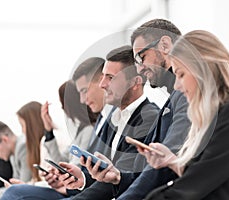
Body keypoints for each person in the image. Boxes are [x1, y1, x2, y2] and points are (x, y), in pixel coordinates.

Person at [139, 30, 229, 200]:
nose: (176, 86)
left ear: (203, 70)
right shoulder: (219, 118)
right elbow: (209, 174)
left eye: (181, 74)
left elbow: (195, 186)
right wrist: (171, 161)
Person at [78, 18, 191, 200]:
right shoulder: (170, 103)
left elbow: (159, 172)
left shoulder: (183, 99)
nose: (139, 69)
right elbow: (147, 171)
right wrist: (117, 177)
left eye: (141, 57)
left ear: (165, 45)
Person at [57, 45, 160, 200]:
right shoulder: (113, 117)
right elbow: (106, 173)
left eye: (110, 78)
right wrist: (83, 179)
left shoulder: (149, 118)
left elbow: (120, 176)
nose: (102, 84)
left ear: (135, 83)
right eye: (103, 76)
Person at [0, 57, 108, 200]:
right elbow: (64, 162)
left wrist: (55, 180)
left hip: (74, 190)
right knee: (15, 192)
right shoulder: (81, 132)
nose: (63, 109)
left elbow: (75, 171)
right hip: (68, 188)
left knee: (14, 192)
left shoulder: (89, 130)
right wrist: (48, 132)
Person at [41, 80, 98, 166]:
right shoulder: (81, 130)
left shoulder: (89, 130)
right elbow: (61, 160)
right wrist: (49, 132)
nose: (62, 107)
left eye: (62, 103)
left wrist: (59, 172)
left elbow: (77, 165)